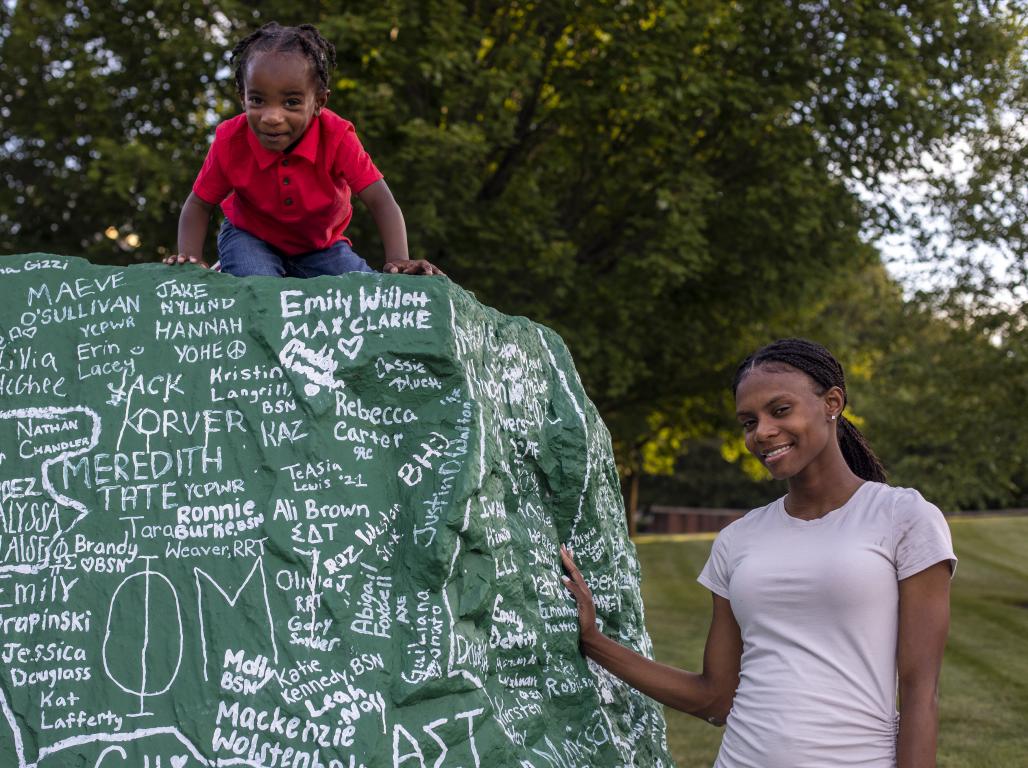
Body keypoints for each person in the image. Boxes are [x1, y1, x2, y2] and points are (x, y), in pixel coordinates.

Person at [560, 338, 956, 768]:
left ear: (833, 402)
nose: (762, 432)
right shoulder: (738, 539)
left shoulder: (903, 516)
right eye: (749, 421)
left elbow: (921, 693)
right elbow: (714, 698)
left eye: (780, 410)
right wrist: (594, 641)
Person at [163, 22, 441, 277]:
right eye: (257, 100)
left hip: (321, 247)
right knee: (259, 291)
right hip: (249, 237)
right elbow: (199, 204)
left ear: (319, 102)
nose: (272, 117)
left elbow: (381, 200)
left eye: (292, 102)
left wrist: (399, 260)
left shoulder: (337, 136)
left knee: (361, 296)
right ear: (242, 98)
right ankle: (231, 270)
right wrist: (191, 259)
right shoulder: (230, 139)